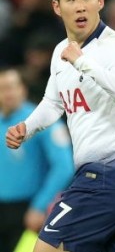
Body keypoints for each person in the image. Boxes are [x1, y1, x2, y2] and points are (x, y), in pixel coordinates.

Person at [5, 0, 115, 252]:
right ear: (57, 7)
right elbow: (53, 102)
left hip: (103, 178)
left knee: (43, 251)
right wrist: (28, 127)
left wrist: (84, 63)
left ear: (100, 1)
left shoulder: (114, 47)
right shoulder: (62, 51)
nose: (80, 6)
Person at [0, 67, 73, 252]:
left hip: (28, 210)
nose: (6, 93)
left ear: (23, 89)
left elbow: (64, 167)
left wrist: (40, 206)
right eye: (2, 88)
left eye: (11, 87)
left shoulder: (41, 121)